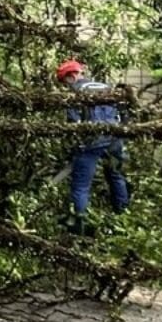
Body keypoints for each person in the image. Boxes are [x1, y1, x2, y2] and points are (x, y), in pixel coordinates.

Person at [57, 60, 130, 235]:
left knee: (81, 185)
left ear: (71, 76)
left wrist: (75, 145)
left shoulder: (77, 92)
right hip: (115, 138)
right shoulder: (106, 86)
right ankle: (123, 218)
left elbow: (74, 122)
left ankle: (78, 226)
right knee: (116, 176)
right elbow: (123, 113)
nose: (65, 86)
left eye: (64, 82)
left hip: (91, 141)